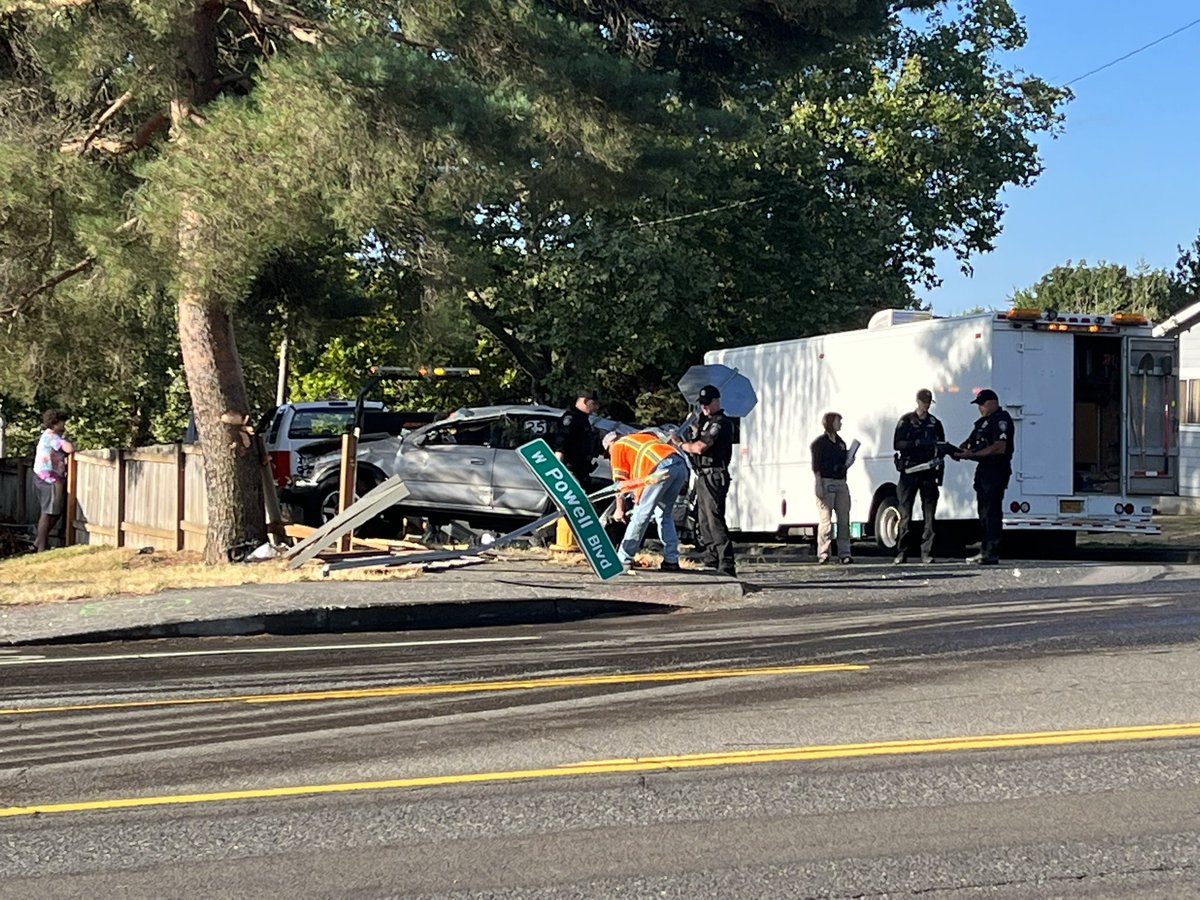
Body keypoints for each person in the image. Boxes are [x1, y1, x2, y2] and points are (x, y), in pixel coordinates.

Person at [602, 430, 689, 571]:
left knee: (641, 514)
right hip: (679, 464)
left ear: (610, 444)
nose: (609, 458)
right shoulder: (639, 437)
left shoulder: (618, 446)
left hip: (659, 468)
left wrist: (619, 509)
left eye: (608, 453)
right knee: (664, 515)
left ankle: (623, 559)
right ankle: (671, 559)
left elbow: (620, 484)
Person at [674, 384, 736, 577]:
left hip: (714, 474)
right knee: (703, 520)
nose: (704, 408)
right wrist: (694, 427)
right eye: (702, 405)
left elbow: (701, 447)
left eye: (707, 404)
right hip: (702, 474)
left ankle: (726, 561)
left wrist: (680, 444)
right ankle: (712, 558)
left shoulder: (720, 422)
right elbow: (700, 437)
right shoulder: (707, 421)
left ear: (716, 402)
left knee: (714, 518)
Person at [954, 388, 1016, 565]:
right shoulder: (983, 422)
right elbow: (971, 442)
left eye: (982, 404)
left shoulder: (1001, 420)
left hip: (996, 470)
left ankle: (991, 551)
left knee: (991, 512)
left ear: (992, 403)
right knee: (983, 512)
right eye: (978, 405)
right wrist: (958, 451)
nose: (980, 408)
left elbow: (999, 447)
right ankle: (985, 550)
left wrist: (972, 455)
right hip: (984, 471)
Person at [892, 388, 946, 564]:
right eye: (924, 402)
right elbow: (897, 444)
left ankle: (926, 552)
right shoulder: (906, 421)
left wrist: (939, 456)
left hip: (928, 472)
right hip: (909, 472)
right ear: (918, 402)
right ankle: (901, 552)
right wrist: (915, 443)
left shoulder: (934, 423)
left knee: (929, 516)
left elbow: (942, 445)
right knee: (905, 515)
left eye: (929, 402)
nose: (926, 405)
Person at [810, 411, 853, 564]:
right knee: (826, 521)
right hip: (826, 481)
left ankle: (844, 553)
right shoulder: (819, 443)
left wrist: (848, 462)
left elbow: (843, 463)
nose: (840, 424)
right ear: (830, 423)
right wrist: (818, 483)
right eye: (837, 421)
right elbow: (816, 465)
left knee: (843, 520)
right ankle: (823, 553)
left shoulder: (841, 443)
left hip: (840, 482)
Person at [32, 408, 74, 553]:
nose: (64, 425)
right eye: (62, 422)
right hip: (48, 478)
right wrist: (67, 441)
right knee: (48, 512)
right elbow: (69, 448)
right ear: (55, 423)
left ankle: (38, 542)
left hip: (46, 477)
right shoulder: (51, 435)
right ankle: (41, 548)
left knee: (56, 512)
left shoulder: (48, 436)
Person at [555, 389, 600, 486]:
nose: (596, 407)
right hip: (570, 469)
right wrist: (558, 468)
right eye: (594, 404)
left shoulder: (583, 419)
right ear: (586, 401)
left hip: (582, 469)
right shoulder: (571, 419)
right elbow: (561, 442)